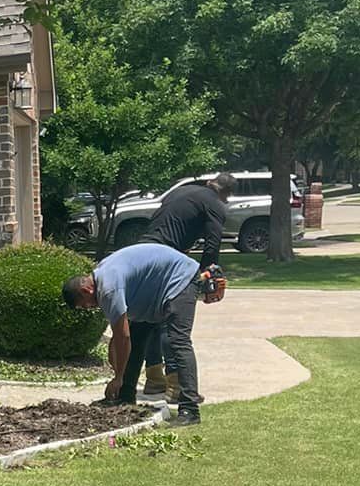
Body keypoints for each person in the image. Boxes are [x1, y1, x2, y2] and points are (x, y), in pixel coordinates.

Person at [62, 241, 203, 425]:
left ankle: (190, 409)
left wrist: (118, 377)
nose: (89, 308)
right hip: (154, 294)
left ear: (86, 290)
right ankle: (125, 397)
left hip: (180, 279)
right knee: (136, 338)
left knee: (178, 341)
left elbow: (123, 337)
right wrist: (116, 377)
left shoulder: (108, 288)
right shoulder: (103, 278)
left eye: (85, 305)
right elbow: (117, 338)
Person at [132, 173, 234, 396]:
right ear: (225, 194)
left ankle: (154, 380)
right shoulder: (215, 204)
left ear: (210, 183)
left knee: (151, 318)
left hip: (144, 251)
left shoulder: (181, 192)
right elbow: (212, 244)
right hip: (167, 257)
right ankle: (177, 387)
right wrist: (207, 272)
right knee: (173, 320)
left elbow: (167, 222)